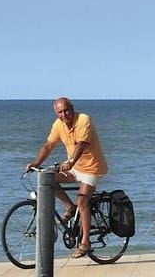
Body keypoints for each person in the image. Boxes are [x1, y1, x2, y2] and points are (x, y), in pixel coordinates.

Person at [26, 97, 109, 258]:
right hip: (75, 168)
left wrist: (70, 161)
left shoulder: (83, 119)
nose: (64, 114)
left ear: (72, 108)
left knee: (83, 200)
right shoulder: (58, 125)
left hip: (93, 168)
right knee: (49, 178)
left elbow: (81, 144)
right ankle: (69, 208)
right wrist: (36, 162)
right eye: (60, 112)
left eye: (66, 110)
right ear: (56, 113)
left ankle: (85, 242)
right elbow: (49, 145)